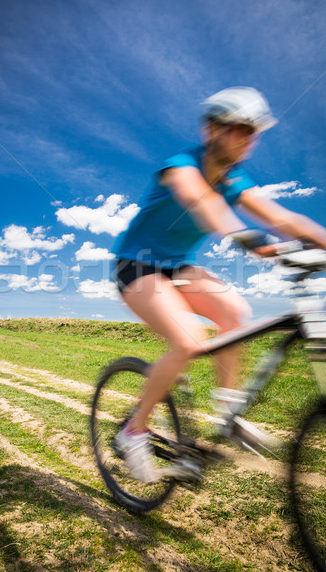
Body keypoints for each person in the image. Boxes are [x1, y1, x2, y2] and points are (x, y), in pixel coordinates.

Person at [112, 86, 326, 483]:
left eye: (254, 131)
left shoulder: (234, 179)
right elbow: (200, 201)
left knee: (235, 312)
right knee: (190, 340)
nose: (249, 139)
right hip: (135, 266)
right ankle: (133, 430)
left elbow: (282, 218)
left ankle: (228, 414)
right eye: (241, 129)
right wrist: (243, 235)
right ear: (212, 130)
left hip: (176, 267)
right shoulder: (181, 165)